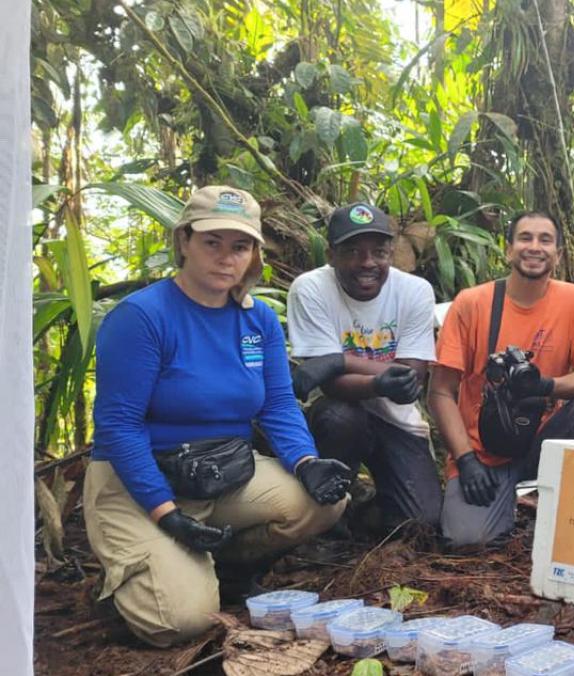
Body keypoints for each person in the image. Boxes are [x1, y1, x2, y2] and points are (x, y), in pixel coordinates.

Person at [87, 186, 350, 647]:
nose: (226, 257)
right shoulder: (142, 317)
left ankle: (221, 562)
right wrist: (166, 514)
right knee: (179, 624)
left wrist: (307, 462)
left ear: (253, 255)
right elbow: (119, 425)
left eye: (240, 246)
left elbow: (277, 403)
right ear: (184, 241)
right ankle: (151, 568)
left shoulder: (258, 321)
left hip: (219, 472)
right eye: (212, 242)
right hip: (139, 482)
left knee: (323, 499)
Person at [430, 212, 574, 546]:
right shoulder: (472, 303)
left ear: (558, 255)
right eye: (525, 238)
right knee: (467, 540)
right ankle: (498, 503)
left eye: (545, 240)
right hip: (484, 450)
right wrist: (465, 459)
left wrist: (545, 386)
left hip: (544, 441)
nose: (534, 247)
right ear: (508, 251)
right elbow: (440, 393)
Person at [286, 202, 442, 530]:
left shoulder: (414, 291)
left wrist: (339, 360)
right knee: (339, 416)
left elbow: (409, 381)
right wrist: (376, 379)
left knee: (420, 522)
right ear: (331, 255)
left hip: (395, 418)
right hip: (338, 412)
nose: (367, 263)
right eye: (353, 251)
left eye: (379, 252)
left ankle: (363, 509)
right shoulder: (311, 289)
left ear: (391, 253)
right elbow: (330, 384)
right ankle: (329, 515)